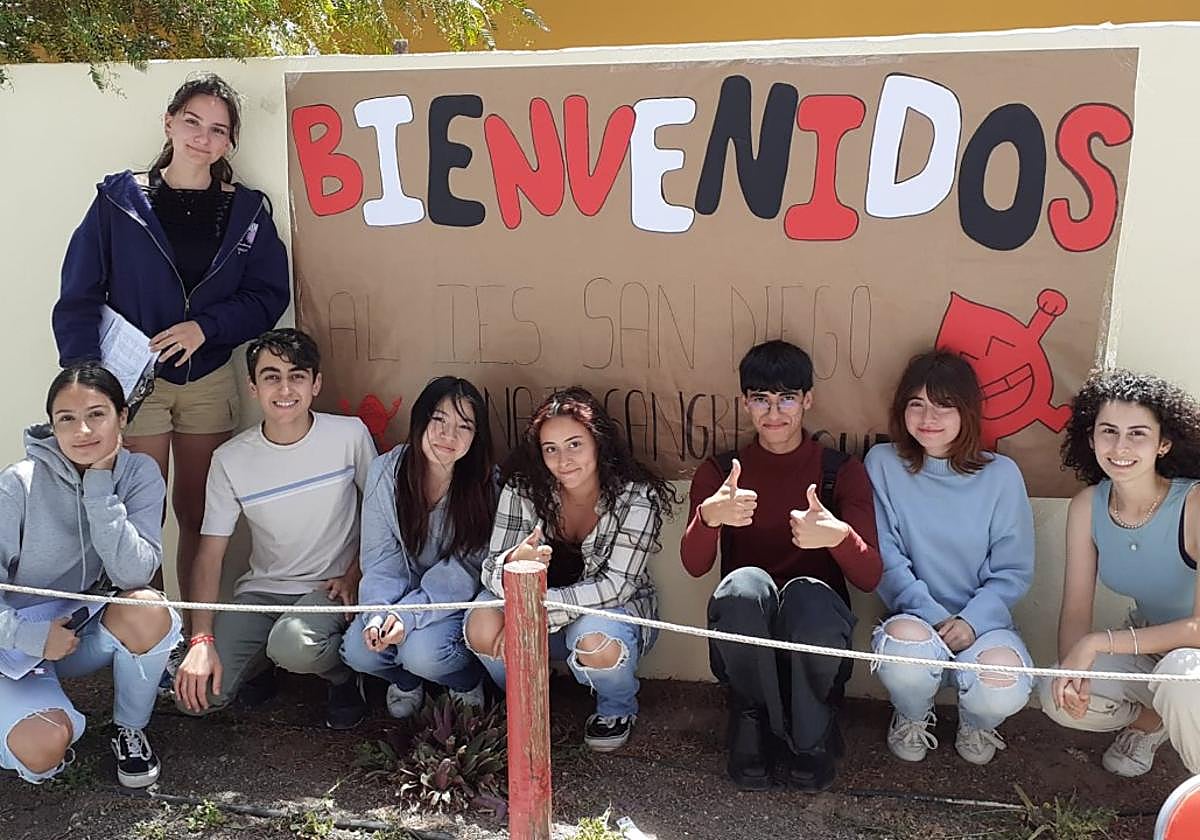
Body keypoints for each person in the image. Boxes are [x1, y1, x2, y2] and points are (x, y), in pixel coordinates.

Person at [52, 73, 290, 613]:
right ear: (169, 122)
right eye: (192, 122)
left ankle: (199, 633)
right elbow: (79, 293)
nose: (202, 138)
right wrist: (88, 381)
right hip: (135, 384)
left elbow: (268, 294)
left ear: (229, 143)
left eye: (217, 130)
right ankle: (149, 635)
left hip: (206, 380)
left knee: (200, 510)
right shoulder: (119, 201)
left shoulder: (248, 211)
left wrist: (207, 327)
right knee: (141, 508)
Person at [681, 339, 883, 792]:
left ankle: (813, 729)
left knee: (809, 593)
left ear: (808, 400)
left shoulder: (840, 472)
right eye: (761, 399)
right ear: (745, 403)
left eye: (787, 397)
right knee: (744, 587)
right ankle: (749, 720)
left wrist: (837, 537)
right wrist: (709, 517)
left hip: (816, 636)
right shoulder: (720, 473)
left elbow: (869, 575)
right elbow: (694, 565)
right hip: (747, 634)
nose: (775, 412)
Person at [173, 329, 376, 730]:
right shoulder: (230, 459)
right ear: (253, 387)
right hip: (262, 592)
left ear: (316, 383)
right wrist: (200, 640)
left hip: (330, 588)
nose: (285, 388)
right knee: (197, 699)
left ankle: (343, 677)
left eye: (297, 375)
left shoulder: (349, 435)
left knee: (294, 645)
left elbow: (382, 514)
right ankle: (260, 662)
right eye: (271, 376)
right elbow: (210, 555)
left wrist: (356, 573)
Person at [464, 387, 677, 751]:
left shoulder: (636, 497)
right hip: (537, 617)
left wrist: (534, 613)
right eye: (551, 449)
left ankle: (616, 708)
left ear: (598, 442)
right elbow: (489, 570)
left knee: (595, 640)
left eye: (575, 444)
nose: (564, 460)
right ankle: (530, 695)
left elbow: (615, 587)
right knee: (480, 621)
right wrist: (511, 565)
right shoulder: (522, 490)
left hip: (605, 619)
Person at [0, 363, 179, 787]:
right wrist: (29, 637)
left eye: (97, 414)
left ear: (123, 416)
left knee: (149, 609)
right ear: (52, 426)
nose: (82, 430)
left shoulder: (138, 474)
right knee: (43, 749)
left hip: (72, 636)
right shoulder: (18, 484)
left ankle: (129, 729)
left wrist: (99, 487)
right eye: (67, 419)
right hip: (9, 645)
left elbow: (134, 571)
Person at [865, 350, 1035, 767]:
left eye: (944, 405)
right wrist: (932, 615)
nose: (929, 417)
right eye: (917, 404)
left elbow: (1012, 570)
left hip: (985, 624)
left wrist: (971, 622)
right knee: (905, 656)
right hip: (914, 618)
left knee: (1004, 686)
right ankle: (910, 715)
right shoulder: (883, 464)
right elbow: (885, 556)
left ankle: (976, 722)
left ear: (968, 412)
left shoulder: (1002, 475)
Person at [1040, 368, 1200, 777]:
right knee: (1053, 691)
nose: (1120, 446)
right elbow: (1076, 609)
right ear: (1090, 438)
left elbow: (1198, 628)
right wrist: (1073, 672)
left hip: (1191, 663)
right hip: (1147, 648)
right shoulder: (1087, 506)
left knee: (1181, 677)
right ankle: (1151, 721)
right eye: (1108, 431)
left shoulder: (1194, 505)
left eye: (1137, 434)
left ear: (1164, 442)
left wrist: (1098, 642)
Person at [340, 377, 495, 717]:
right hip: (399, 593)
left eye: (463, 426)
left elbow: (465, 569)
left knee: (422, 653)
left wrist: (407, 617)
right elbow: (380, 558)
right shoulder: (386, 472)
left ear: (476, 436)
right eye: (438, 420)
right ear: (420, 420)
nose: (448, 435)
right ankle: (407, 681)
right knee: (358, 651)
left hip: (452, 600)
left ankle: (465, 680)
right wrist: (379, 613)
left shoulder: (485, 484)